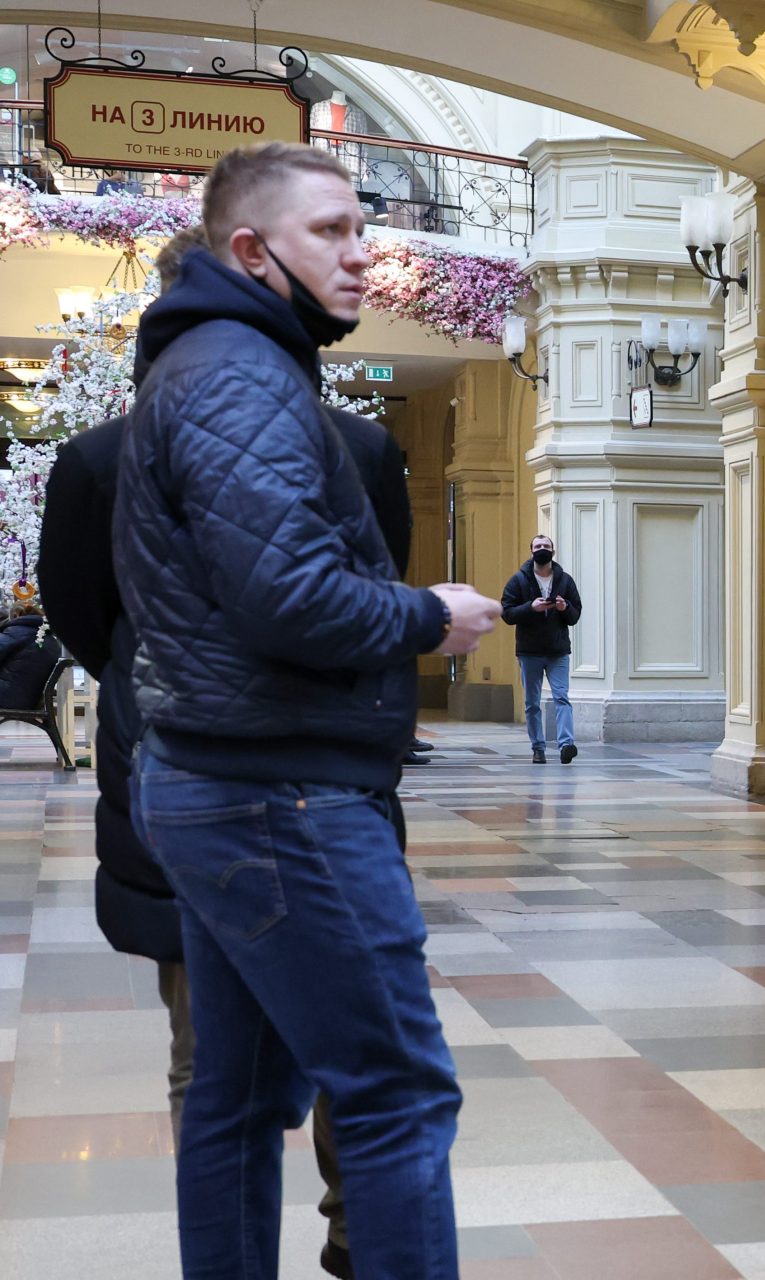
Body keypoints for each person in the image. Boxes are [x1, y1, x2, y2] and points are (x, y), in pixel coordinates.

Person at [114, 142, 500, 1280]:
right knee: (397, 1092)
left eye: (359, 227)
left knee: (235, 1095)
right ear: (251, 249)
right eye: (330, 230)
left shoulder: (215, 360)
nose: (362, 251)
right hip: (278, 795)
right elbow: (286, 596)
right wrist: (426, 613)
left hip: (225, 783)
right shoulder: (237, 370)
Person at [42, 221, 424, 1280]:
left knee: (207, 1058)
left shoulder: (101, 455)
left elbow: (86, 622)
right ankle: (363, 1241)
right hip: (323, 780)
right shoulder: (358, 447)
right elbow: (378, 601)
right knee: (369, 1044)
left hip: (181, 776)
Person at [500, 533, 581, 763]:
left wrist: (565, 607)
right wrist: (530, 607)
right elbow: (506, 612)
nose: (542, 549)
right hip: (529, 651)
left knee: (561, 697)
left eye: (546, 546)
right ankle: (538, 747)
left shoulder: (565, 580)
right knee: (532, 702)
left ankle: (567, 745)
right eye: (538, 546)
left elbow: (575, 615)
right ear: (531, 551)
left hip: (558, 651)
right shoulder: (519, 580)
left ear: (552, 552)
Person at [0, 600, 59, 710]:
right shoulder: (51, 640)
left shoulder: (17, 632)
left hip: (8, 697)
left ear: (16, 615)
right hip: (31, 699)